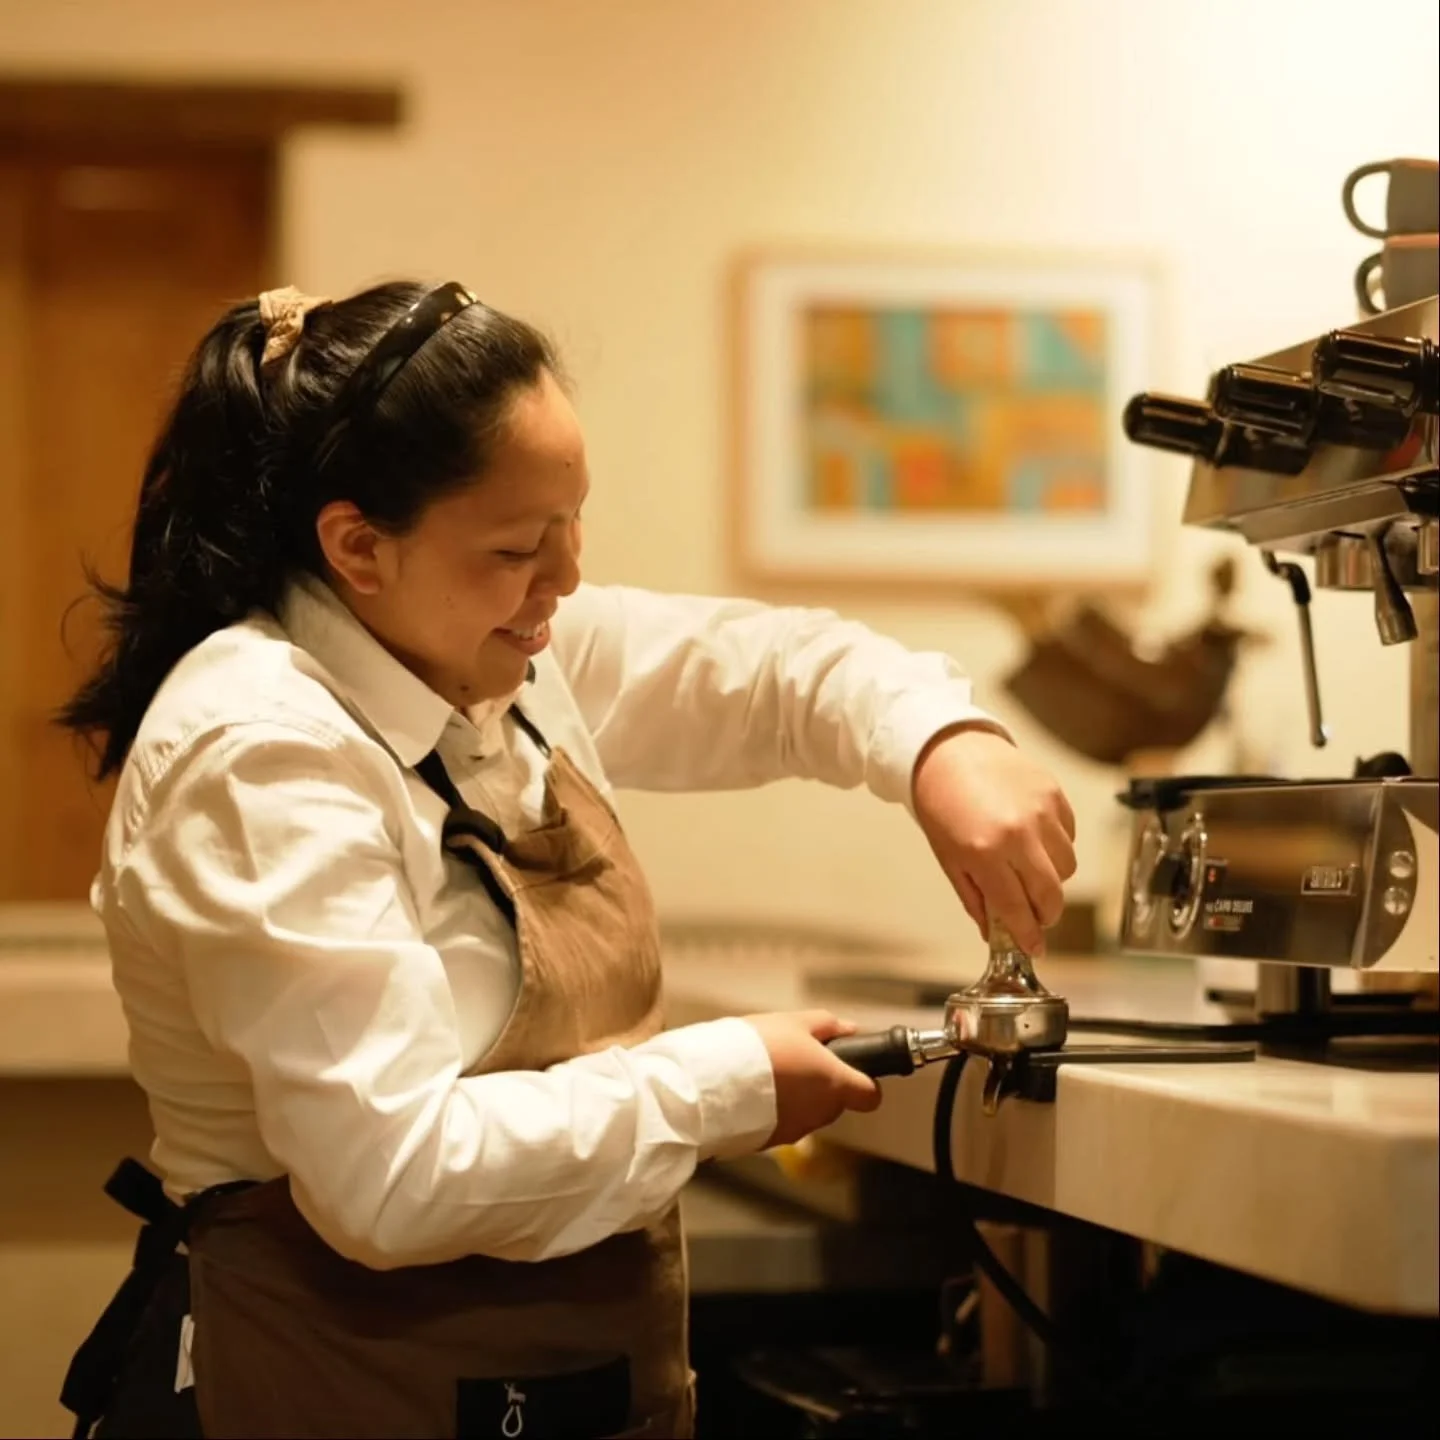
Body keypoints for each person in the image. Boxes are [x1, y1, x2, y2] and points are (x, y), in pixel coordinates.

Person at [58, 279, 1077, 1439]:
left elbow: (789, 674)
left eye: (573, 521)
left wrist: (948, 750)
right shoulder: (260, 751)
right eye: (517, 545)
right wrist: (722, 1084)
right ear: (357, 547)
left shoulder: (493, 648)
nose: (567, 578)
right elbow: (392, 1182)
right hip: (327, 1384)